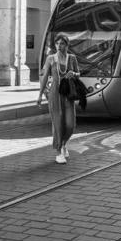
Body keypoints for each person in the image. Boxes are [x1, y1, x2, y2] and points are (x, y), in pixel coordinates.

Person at [37, 33, 80, 164]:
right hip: (54, 93)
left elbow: (78, 74)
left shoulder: (72, 58)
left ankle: (63, 143)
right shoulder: (50, 58)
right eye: (57, 43)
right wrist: (40, 95)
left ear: (67, 45)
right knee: (57, 124)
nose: (58, 46)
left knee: (70, 124)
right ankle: (58, 152)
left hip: (68, 93)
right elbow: (44, 77)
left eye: (61, 43)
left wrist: (74, 73)